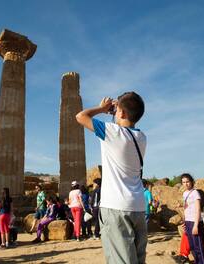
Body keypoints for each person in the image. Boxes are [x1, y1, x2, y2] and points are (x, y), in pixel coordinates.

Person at [76, 92, 148, 263]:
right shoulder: (142, 137)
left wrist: (102, 109)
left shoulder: (112, 132)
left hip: (116, 207)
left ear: (122, 113)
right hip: (137, 206)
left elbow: (81, 116)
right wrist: (117, 112)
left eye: (118, 111)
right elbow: (122, 129)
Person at [179, 188, 204, 263]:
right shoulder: (195, 206)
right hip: (198, 225)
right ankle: (184, 255)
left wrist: (196, 223)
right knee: (187, 233)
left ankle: (184, 255)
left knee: (187, 234)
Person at [180, 173, 204, 264]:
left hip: (195, 222)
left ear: (191, 182)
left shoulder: (195, 193)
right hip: (188, 222)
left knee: (199, 247)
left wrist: (195, 225)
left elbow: (198, 209)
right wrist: (184, 222)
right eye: (183, 182)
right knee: (192, 247)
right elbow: (186, 208)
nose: (186, 184)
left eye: (187, 181)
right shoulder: (185, 193)